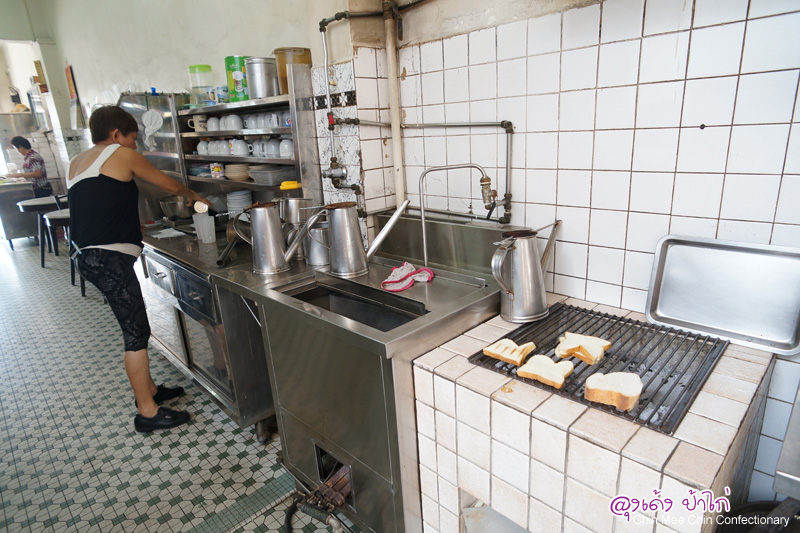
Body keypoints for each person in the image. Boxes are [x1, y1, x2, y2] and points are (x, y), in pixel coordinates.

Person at [68, 105, 211, 433]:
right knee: (136, 333)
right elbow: (168, 185)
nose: (135, 145)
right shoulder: (118, 152)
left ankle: (151, 392)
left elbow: (100, 203)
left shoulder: (78, 161)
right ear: (116, 134)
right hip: (108, 258)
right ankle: (147, 413)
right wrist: (194, 196)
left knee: (134, 325)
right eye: (133, 138)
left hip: (86, 257)